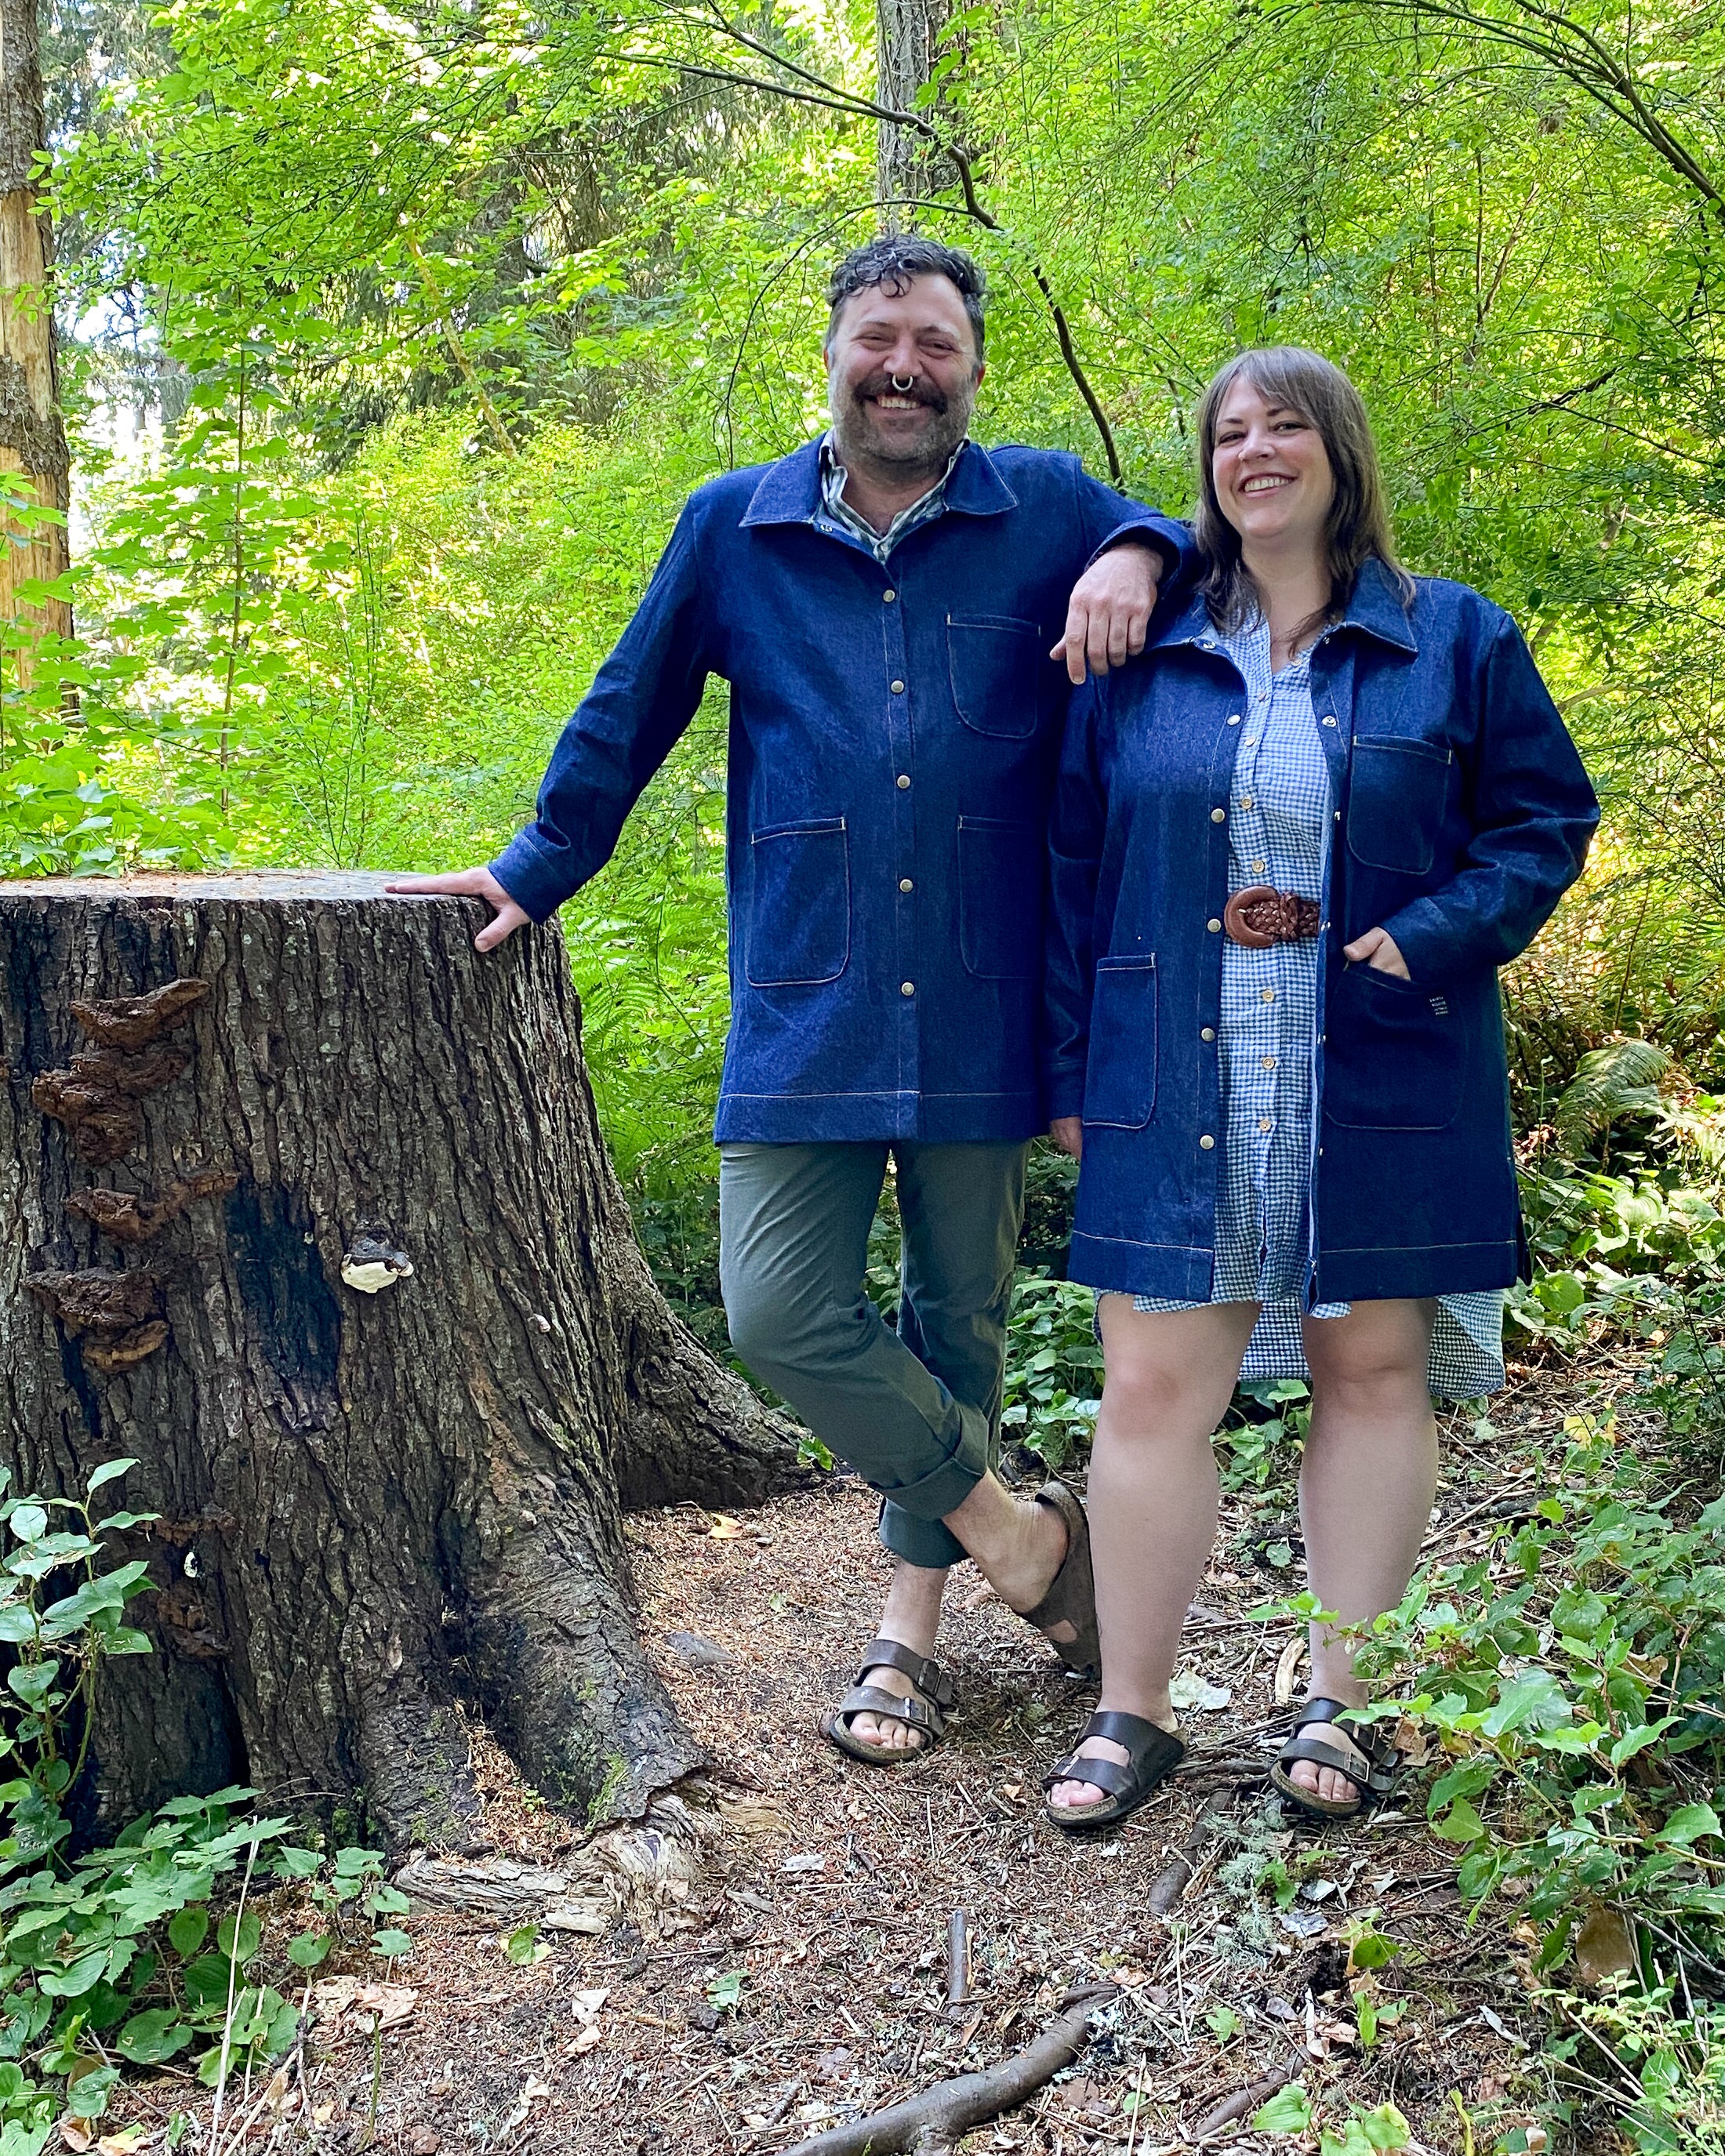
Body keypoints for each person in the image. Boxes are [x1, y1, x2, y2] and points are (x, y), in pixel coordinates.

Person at [390, 236, 1197, 1766]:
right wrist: (529, 869)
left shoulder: (1045, 515)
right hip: (806, 1008)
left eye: (935, 343)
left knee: (952, 1322)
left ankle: (903, 1643)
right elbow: (623, 714)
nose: (905, 364)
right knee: (779, 1308)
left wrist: (1138, 550)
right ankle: (1022, 1539)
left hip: (980, 1002)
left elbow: (1199, 549)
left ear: (970, 367)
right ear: (830, 353)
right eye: (878, 336)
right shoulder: (731, 530)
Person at [1039, 346, 1598, 1828]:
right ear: (1208, 471)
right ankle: (1134, 1712)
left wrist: (1428, 938)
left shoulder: (1456, 641)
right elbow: (1069, 869)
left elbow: (1545, 822)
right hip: (1174, 1064)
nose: (1257, 448)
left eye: (1288, 424)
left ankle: (1344, 1703)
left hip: (1381, 1054)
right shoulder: (1144, 649)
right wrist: (1063, 1066)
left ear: (1340, 453)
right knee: (1155, 1384)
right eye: (1231, 430)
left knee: (1370, 1371)